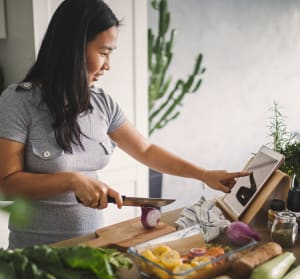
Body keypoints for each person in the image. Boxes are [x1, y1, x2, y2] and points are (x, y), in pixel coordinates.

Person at [0, 0, 249, 249]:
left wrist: (203, 175)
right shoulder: (19, 101)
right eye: (103, 52)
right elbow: (7, 185)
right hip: (35, 255)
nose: (108, 65)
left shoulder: (102, 104)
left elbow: (146, 150)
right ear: (72, 48)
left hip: (93, 248)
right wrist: (71, 180)